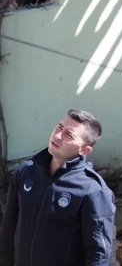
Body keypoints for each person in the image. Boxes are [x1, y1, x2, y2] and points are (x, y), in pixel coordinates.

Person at [0, 109, 116, 265]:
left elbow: (98, 255)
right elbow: (8, 230)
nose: (58, 135)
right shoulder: (26, 171)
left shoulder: (93, 191)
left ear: (84, 150)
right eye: (59, 127)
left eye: (69, 134)